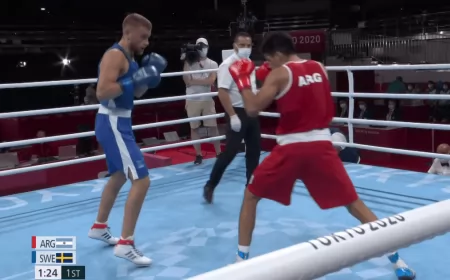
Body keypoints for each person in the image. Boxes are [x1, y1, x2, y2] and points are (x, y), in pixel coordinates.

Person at [226, 31, 415, 279]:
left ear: (278, 54)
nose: (268, 65)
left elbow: (251, 108)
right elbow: (302, 92)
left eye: (269, 60)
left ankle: (240, 260)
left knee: (251, 197)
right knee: (354, 204)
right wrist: (266, 75)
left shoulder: (280, 73)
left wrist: (244, 82)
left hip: (292, 149)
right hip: (322, 146)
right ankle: (398, 261)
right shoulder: (320, 68)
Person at [87, 13, 167, 266]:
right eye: (143, 37)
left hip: (120, 121)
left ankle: (99, 226)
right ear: (128, 33)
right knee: (141, 181)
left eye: (148, 39)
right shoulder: (115, 55)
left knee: (120, 175)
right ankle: (126, 243)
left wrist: (147, 79)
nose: (146, 43)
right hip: (112, 122)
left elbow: (132, 92)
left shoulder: (130, 58)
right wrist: (135, 78)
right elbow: (102, 92)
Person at [203, 32, 261, 203]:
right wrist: (233, 115)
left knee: (254, 151)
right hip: (236, 111)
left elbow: (251, 87)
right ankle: (210, 185)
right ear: (235, 45)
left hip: (251, 111)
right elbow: (222, 91)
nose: (245, 48)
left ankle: (251, 188)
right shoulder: (227, 65)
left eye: (248, 45)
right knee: (230, 152)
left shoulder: (249, 63)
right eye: (242, 45)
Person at [183, 37, 221, 164]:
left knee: (213, 127)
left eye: (203, 46)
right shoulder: (189, 62)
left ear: (207, 47)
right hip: (192, 99)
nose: (202, 49)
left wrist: (194, 82)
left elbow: (211, 81)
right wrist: (185, 60)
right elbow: (186, 80)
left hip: (207, 98)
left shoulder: (213, 63)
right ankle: (198, 155)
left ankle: (219, 153)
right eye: (199, 47)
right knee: (194, 128)